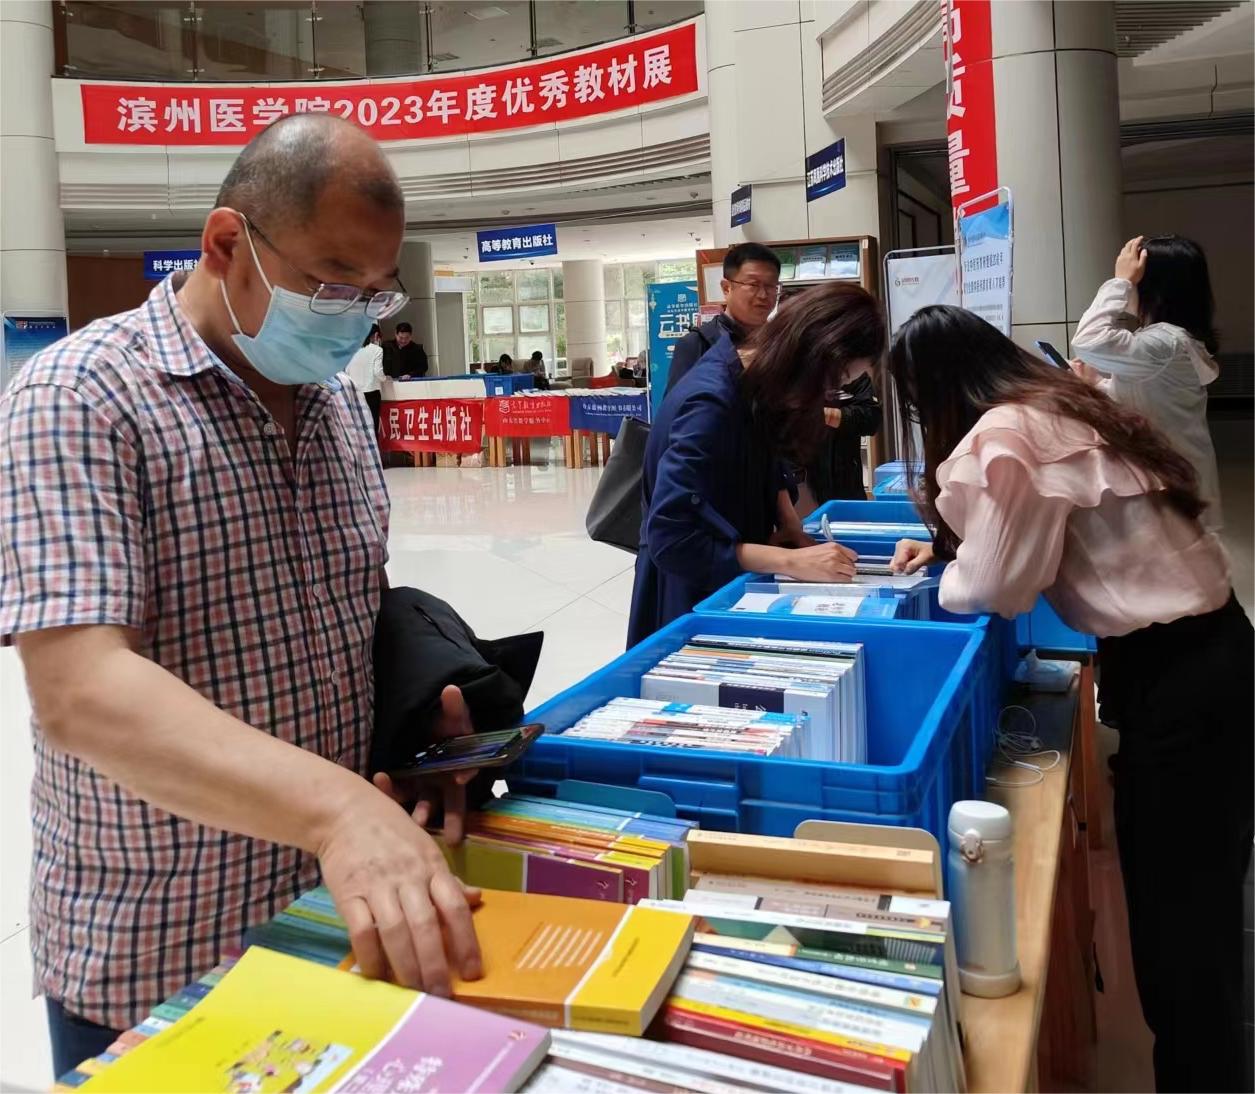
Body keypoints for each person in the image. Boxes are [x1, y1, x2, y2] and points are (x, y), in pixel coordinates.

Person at [0, 114, 484, 1077]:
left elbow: (346, 605)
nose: (353, 316)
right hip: (162, 946)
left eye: (374, 292)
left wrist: (411, 729)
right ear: (228, 244)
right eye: (331, 283)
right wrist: (337, 812)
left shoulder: (336, 404)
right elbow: (81, 693)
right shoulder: (80, 396)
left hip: (336, 921)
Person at [886, 305, 1251, 1094]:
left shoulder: (1008, 432)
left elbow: (996, 587)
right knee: (1197, 907)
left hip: (1178, 677)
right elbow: (1027, 540)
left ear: (935, 391)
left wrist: (948, 575)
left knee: (1181, 931)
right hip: (1205, 655)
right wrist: (947, 555)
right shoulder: (1054, 402)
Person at [627, 282, 887, 646]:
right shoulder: (711, 404)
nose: (829, 394)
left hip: (734, 568)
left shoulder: (752, 380)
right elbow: (672, 540)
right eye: (835, 381)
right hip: (691, 588)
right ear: (811, 356)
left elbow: (767, 453)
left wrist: (790, 522)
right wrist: (790, 562)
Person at [1071, 234, 1222, 529]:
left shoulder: (1165, 342)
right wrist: (1097, 384)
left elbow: (1088, 342)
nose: (1130, 284)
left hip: (1169, 481)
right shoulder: (1172, 339)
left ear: (1154, 286)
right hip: (1175, 475)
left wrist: (1120, 282)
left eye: (1136, 276)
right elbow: (1147, 398)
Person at [664, 242, 781, 396]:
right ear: (726, 288)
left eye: (771, 286)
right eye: (753, 285)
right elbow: (677, 406)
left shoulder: (780, 341)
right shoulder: (697, 344)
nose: (763, 295)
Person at [806, 373, 883, 503]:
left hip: (846, 479)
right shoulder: (796, 373)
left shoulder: (853, 372)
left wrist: (823, 415)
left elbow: (871, 419)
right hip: (803, 481)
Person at [346, 323, 385, 437]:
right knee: (372, 426)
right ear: (376, 335)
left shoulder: (352, 349)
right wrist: (385, 378)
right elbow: (378, 372)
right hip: (371, 393)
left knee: (357, 426)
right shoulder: (377, 350)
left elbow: (347, 370)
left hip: (354, 393)